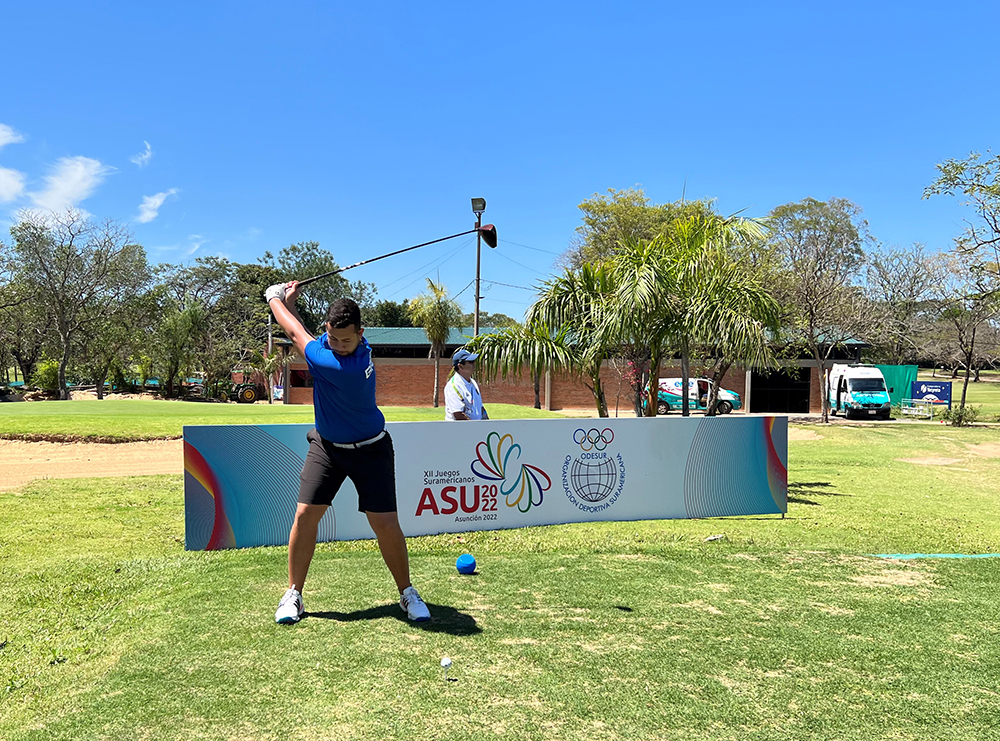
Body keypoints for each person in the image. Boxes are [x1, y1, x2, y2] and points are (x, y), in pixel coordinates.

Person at [265, 281, 430, 624]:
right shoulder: (330, 347)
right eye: (334, 338)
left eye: (347, 340)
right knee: (305, 516)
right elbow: (308, 336)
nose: (340, 346)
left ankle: (407, 592)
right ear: (327, 329)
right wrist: (294, 304)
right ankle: (293, 592)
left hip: (371, 449)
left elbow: (296, 334)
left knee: (384, 523)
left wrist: (275, 298)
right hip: (327, 447)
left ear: (362, 334)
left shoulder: (348, 366)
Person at [444, 348, 489, 421]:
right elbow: (458, 414)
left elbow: (481, 408)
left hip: (475, 429)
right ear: (460, 366)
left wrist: (488, 425)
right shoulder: (453, 386)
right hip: (459, 430)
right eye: (470, 362)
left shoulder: (473, 382)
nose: (474, 364)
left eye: (474, 361)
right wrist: (474, 427)